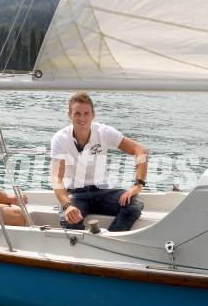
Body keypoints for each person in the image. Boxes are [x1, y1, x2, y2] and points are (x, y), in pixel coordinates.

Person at [50, 92, 148, 231]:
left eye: (86, 113)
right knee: (70, 219)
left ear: (93, 114)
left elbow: (140, 150)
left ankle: (111, 239)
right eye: (77, 113)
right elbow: (56, 178)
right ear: (70, 114)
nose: (82, 118)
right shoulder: (60, 138)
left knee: (134, 205)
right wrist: (67, 205)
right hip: (76, 195)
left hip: (103, 192)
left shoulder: (104, 132)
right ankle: (83, 247)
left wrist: (138, 185)